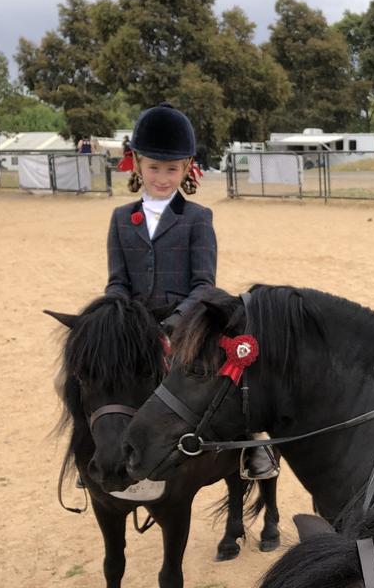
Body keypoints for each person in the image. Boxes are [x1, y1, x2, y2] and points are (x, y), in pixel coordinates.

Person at [109, 103, 276, 481]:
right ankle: (96, 451)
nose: (162, 178)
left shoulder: (198, 218)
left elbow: (204, 283)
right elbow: (116, 281)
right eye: (154, 167)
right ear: (137, 165)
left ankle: (254, 445)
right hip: (135, 324)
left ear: (186, 169)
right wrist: (121, 318)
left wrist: (171, 326)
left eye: (171, 169)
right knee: (84, 374)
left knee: (226, 375)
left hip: (187, 321)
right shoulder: (120, 219)